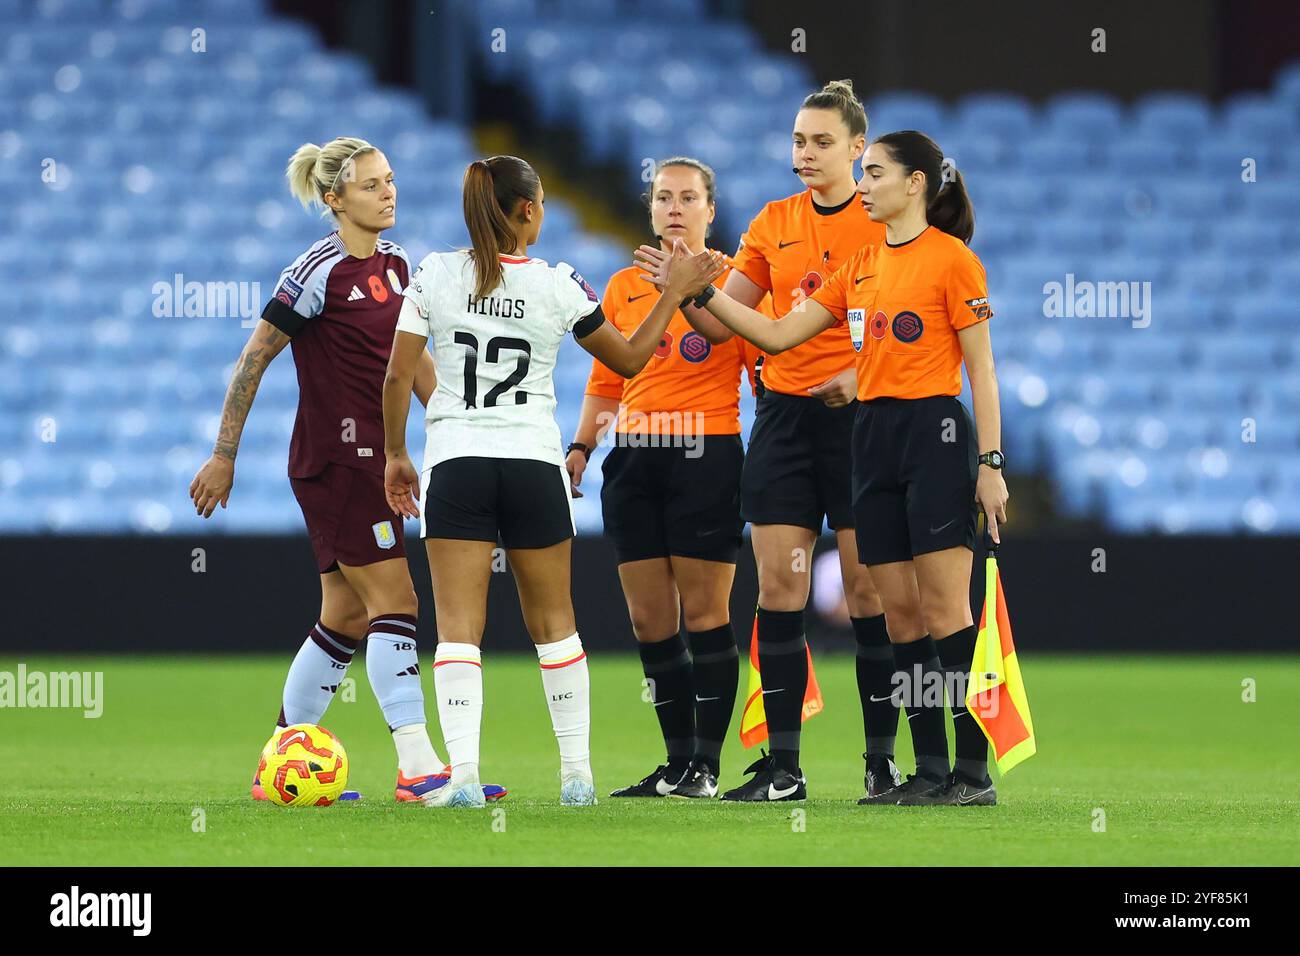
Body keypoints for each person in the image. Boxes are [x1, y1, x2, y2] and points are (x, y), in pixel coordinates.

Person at [636, 129, 1009, 806]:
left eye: (873, 173)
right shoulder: (861, 267)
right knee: (899, 613)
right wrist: (697, 291)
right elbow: (776, 334)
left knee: (946, 608)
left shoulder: (953, 260)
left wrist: (990, 462)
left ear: (915, 184)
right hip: (874, 442)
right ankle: (928, 771)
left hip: (933, 433)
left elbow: (982, 366)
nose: (863, 185)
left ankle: (973, 772)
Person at [381, 155, 718, 807]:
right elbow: (626, 358)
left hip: (458, 462)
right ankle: (577, 777)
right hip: (534, 464)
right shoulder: (558, 284)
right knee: (556, 624)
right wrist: (672, 296)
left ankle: (466, 778)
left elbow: (397, 377)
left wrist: (397, 453)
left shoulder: (434, 274)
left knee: (457, 628)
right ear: (530, 210)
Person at [188, 136, 504, 804]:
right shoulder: (314, 272)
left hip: (372, 460)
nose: (388, 192)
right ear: (334, 199)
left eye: (390, 180)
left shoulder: (395, 262)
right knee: (397, 603)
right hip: (336, 460)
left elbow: (410, 360)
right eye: (371, 185)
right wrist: (224, 455)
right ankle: (418, 771)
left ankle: (279, 763)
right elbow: (253, 360)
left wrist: (454, 424)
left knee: (345, 615)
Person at [673, 79, 891, 802]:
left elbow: (916, 324)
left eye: (822, 142)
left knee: (866, 591)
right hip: (785, 420)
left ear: (858, 150)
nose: (806, 153)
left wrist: (861, 374)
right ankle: (784, 766)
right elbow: (724, 322)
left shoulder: (885, 223)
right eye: (799, 140)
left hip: (862, 425)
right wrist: (690, 290)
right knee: (779, 588)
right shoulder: (773, 222)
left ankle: (881, 761)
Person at [567, 157, 760, 799]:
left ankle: (706, 765)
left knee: (706, 614)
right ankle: (676, 764)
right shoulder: (623, 284)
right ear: (650, 210)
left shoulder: (736, 282)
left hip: (707, 451)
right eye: (662, 197)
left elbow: (761, 358)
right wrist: (582, 444)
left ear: (710, 209)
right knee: (650, 620)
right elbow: (607, 381)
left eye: (688, 197)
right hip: (636, 455)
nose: (674, 207)